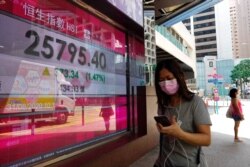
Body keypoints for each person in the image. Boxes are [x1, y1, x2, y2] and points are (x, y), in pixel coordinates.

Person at [154, 59, 212, 167]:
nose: (165, 83)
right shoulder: (163, 104)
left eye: (169, 78)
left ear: (180, 77)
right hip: (164, 163)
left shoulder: (195, 103)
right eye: (161, 80)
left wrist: (180, 134)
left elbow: (207, 139)